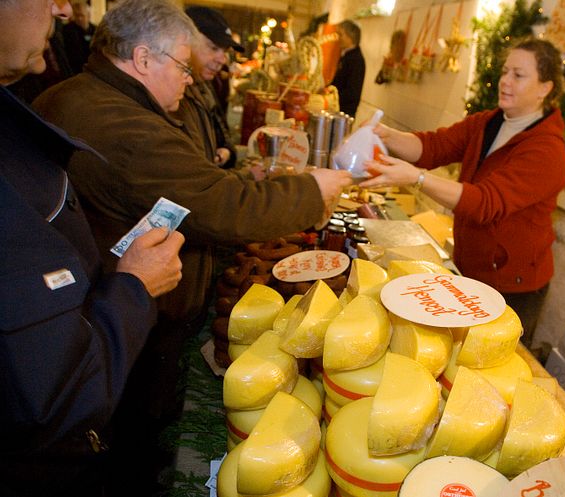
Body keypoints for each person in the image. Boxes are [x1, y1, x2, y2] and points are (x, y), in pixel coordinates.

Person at [32, 0, 351, 493]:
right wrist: (313, 191)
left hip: (93, 314)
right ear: (142, 59)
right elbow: (221, 205)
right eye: (181, 66)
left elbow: (192, 183)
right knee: (130, 451)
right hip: (120, 321)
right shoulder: (125, 126)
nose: (189, 79)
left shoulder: (82, 94)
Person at [0, 0, 185, 494]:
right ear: (145, 60)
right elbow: (56, 393)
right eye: (183, 66)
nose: (63, 9)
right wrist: (135, 286)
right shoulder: (117, 117)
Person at [360, 38, 565, 348]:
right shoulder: (488, 122)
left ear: (545, 88)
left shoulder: (547, 150)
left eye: (519, 75)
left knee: (486, 360)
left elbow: (485, 202)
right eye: (505, 71)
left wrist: (417, 178)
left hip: (512, 284)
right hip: (471, 266)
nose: (505, 81)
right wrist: (388, 136)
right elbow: (433, 147)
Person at [176, 6, 242, 168]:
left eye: (225, 51)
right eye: (213, 48)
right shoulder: (173, 93)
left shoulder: (205, 83)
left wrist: (227, 151)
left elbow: (222, 129)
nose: (222, 59)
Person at [330, 19, 365, 118]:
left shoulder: (356, 59)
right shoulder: (346, 55)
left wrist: (331, 98)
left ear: (351, 36)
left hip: (345, 112)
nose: (338, 38)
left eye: (341, 35)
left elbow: (352, 92)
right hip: (338, 109)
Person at [62, 0, 96, 73]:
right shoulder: (67, 30)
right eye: (77, 15)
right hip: (74, 69)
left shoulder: (96, 30)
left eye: (82, 15)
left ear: (88, 15)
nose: (80, 18)